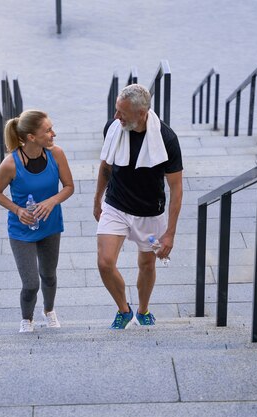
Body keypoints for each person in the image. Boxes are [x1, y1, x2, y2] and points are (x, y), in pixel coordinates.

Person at [93, 84, 183, 329]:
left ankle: (143, 311)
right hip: (116, 205)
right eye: (116, 110)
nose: (115, 117)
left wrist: (170, 234)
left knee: (146, 264)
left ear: (142, 113)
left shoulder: (167, 139)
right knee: (104, 263)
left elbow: (176, 189)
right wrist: (97, 199)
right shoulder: (113, 128)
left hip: (150, 213)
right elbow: (106, 167)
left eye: (122, 112)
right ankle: (124, 309)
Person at [0, 109, 74, 333]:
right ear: (31, 137)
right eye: (48, 131)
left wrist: (51, 202)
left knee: (49, 275)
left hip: (50, 225)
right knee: (30, 284)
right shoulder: (10, 164)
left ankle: (49, 311)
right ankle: (26, 319)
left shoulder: (56, 154)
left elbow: (69, 187)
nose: (53, 134)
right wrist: (17, 210)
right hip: (21, 230)